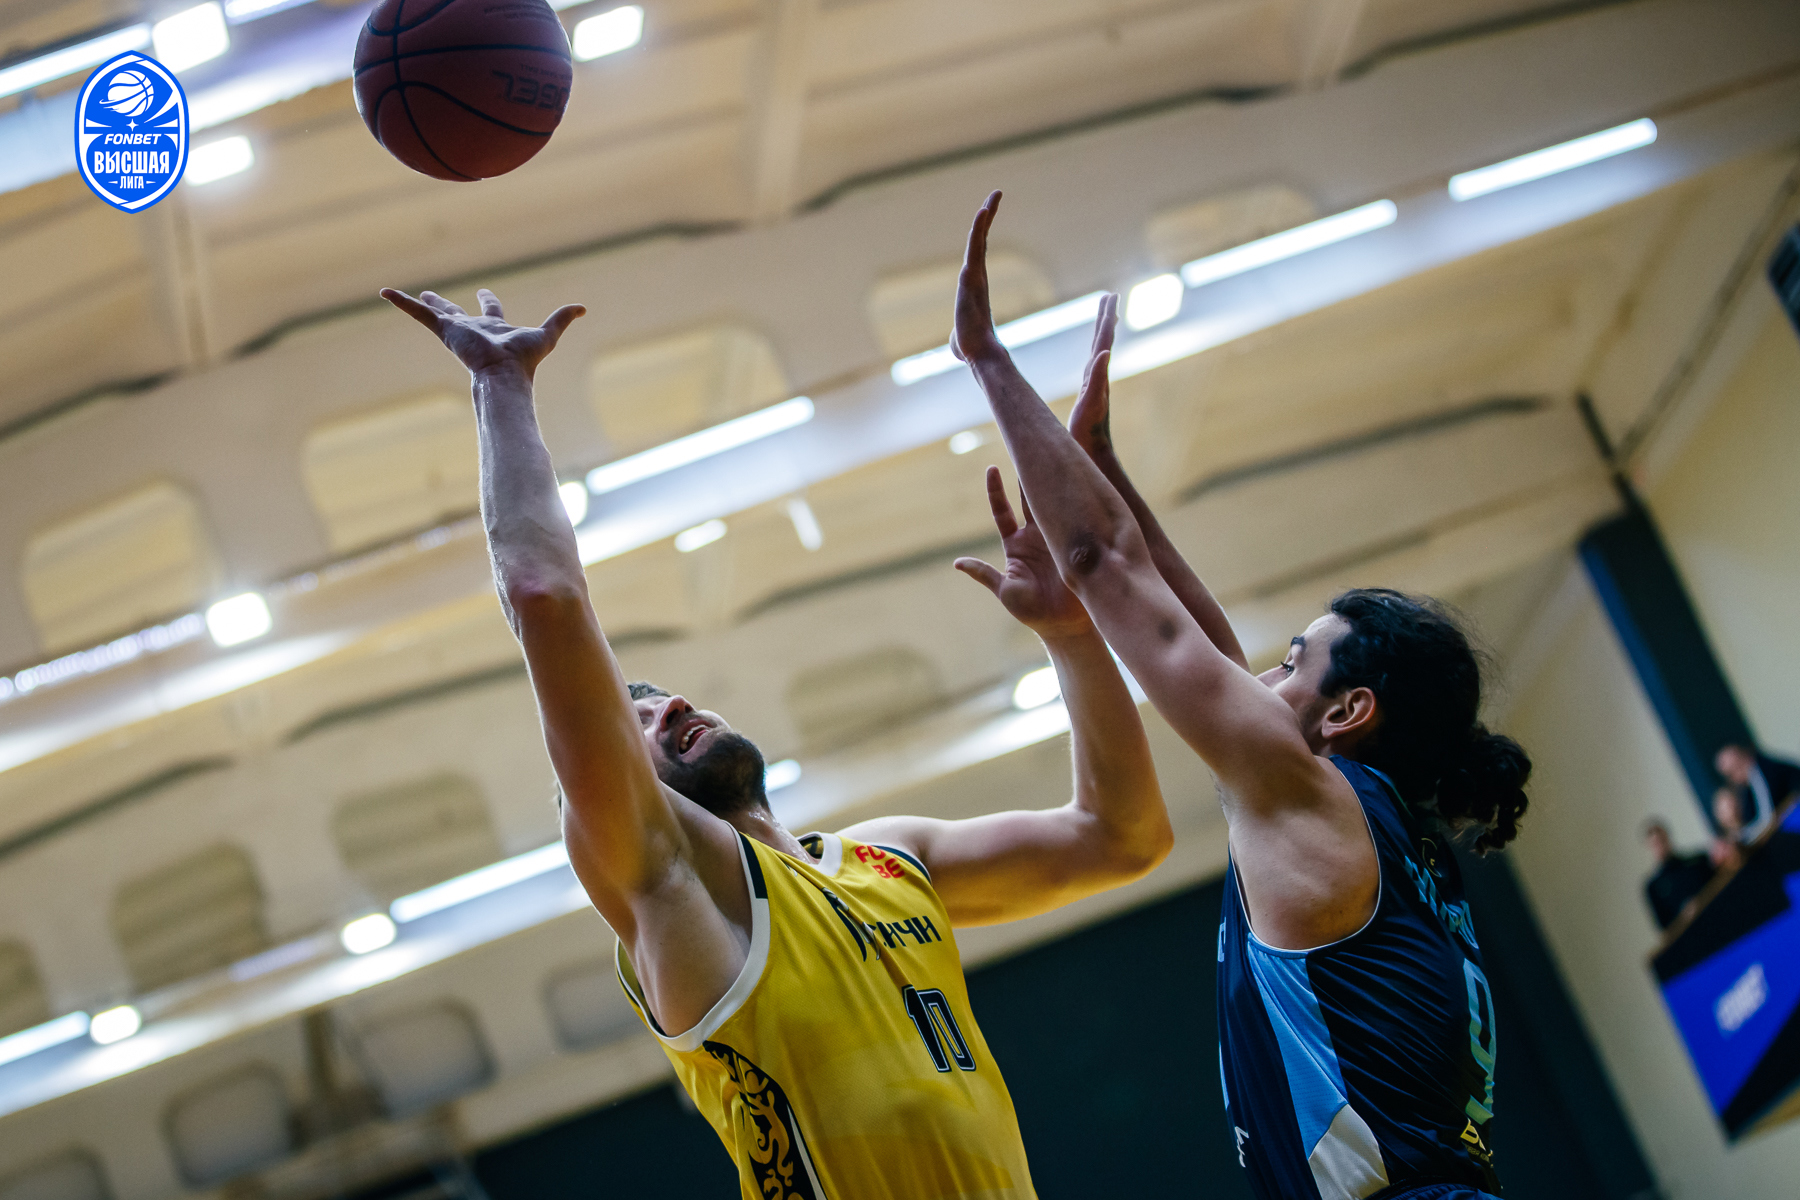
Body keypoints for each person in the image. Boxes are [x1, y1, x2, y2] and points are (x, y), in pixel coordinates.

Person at [380, 284, 1173, 1200]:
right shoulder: (674, 884)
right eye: (635, 723)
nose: (668, 706)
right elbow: (544, 598)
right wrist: (500, 387)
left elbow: (1124, 837)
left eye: (662, 697)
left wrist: (1073, 637)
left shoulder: (890, 860)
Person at [950, 190, 1530, 1200]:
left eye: (1294, 661)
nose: (1260, 675)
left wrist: (988, 361)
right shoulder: (1385, 836)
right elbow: (1204, 648)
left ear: (1347, 712)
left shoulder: (1314, 801)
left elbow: (1103, 563)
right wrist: (1105, 467)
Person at [1715, 743, 1800, 843]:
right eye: (1730, 775)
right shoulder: (1747, 792)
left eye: (1737, 767)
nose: (1736, 776)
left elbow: (1769, 819)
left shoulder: (1768, 771)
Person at [1642, 818, 1713, 929]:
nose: (1660, 846)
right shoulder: (1653, 887)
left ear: (1667, 837)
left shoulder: (1697, 862)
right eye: (1655, 844)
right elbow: (1664, 926)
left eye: (1662, 840)